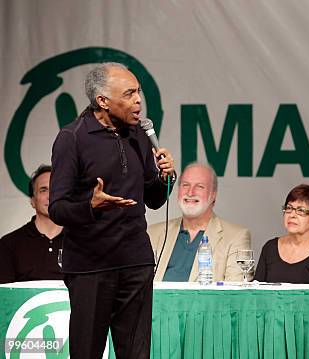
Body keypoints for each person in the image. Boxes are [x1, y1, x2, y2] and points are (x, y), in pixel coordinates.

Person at [49, 62, 175, 359]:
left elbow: (154, 200)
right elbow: (57, 208)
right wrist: (90, 206)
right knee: (87, 352)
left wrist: (166, 178)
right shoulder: (73, 138)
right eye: (129, 93)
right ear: (102, 101)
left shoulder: (139, 136)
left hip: (135, 262)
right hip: (91, 266)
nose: (138, 100)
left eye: (139, 92)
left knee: (136, 353)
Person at [148, 162, 251, 282]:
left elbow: (234, 295)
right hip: (158, 301)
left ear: (213, 195)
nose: (190, 192)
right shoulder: (153, 234)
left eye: (200, 186)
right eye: (185, 185)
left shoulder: (236, 237)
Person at [254, 184, 309, 284]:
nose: (292, 215)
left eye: (301, 211)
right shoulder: (270, 247)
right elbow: (256, 292)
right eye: (289, 208)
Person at [0, 165, 64, 284]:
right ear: (32, 201)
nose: (51, 196)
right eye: (43, 190)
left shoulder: (81, 241)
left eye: (56, 189)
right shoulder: (9, 244)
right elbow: (5, 297)